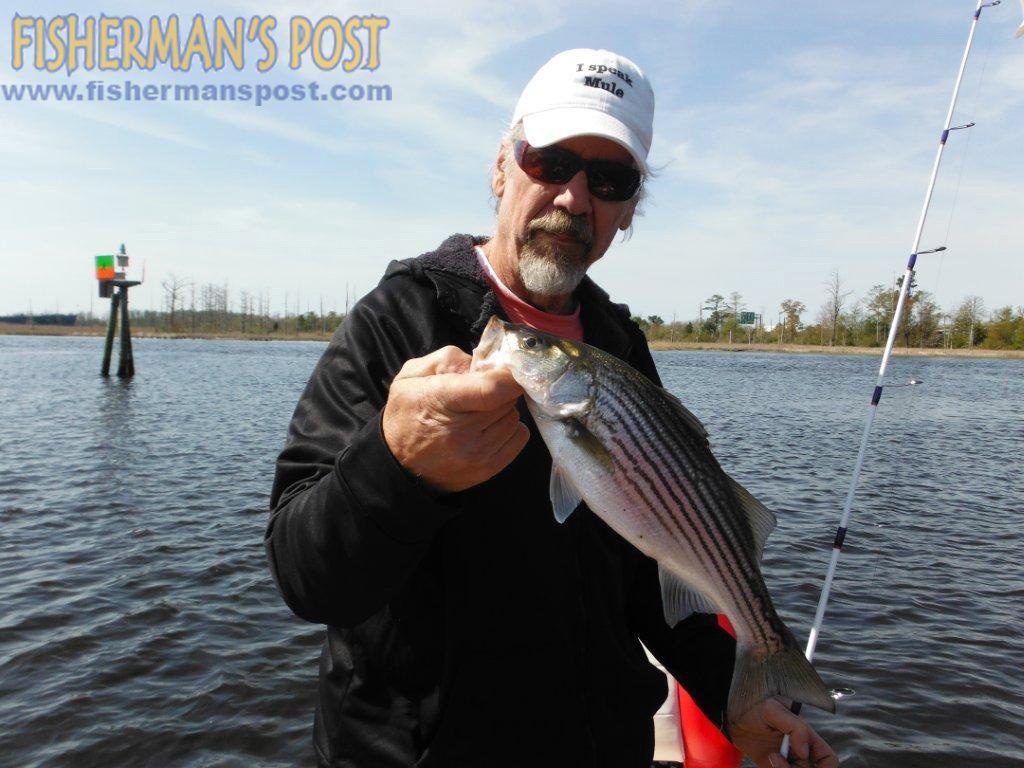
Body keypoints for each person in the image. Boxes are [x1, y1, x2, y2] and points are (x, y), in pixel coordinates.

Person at [266, 48, 839, 768]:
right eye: (552, 160)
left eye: (609, 178)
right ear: (503, 167)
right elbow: (303, 573)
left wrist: (735, 693)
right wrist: (398, 470)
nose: (574, 197)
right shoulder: (399, 319)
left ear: (628, 211)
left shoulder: (616, 344)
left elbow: (646, 567)